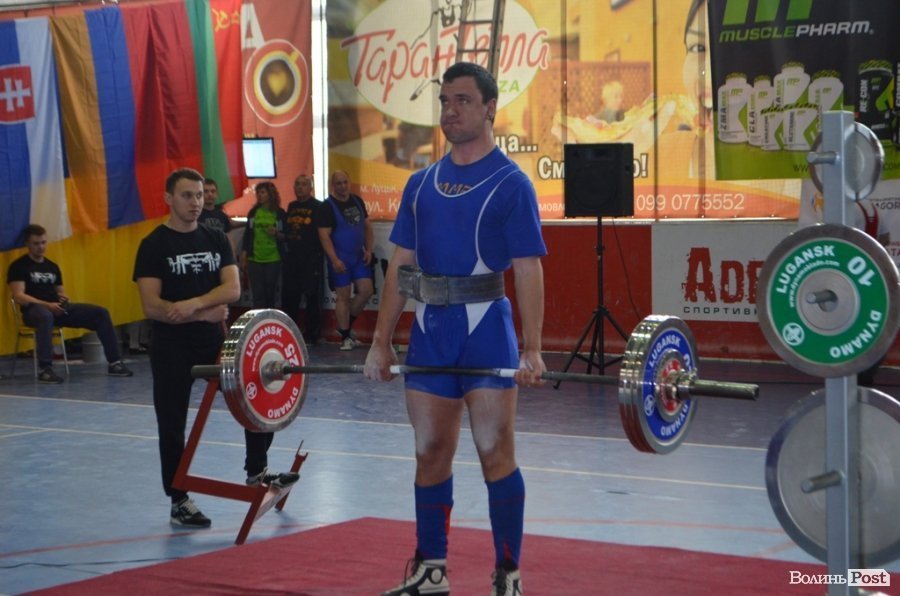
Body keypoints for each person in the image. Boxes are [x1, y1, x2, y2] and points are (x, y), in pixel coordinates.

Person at [364, 62, 546, 596]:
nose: (450, 110)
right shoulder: (420, 184)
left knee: (495, 451)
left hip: (486, 330)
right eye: (445, 101)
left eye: (463, 100)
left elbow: (528, 268)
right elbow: (401, 265)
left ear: (490, 108)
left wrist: (533, 349)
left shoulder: (512, 184)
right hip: (429, 332)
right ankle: (431, 570)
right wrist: (380, 341)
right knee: (429, 451)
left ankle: (508, 574)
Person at [133, 167, 297, 529]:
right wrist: (205, 312)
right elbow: (152, 305)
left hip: (212, 343)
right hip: (170, 348)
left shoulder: (216, 238)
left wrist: (192, 306)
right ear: (169, 198)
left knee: (254, 392)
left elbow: (232, 290)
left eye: (198, 195)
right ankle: (179, 500)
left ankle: (257, 471)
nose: (195, 202)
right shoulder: (154, 245)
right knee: (172, 425)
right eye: (186, 196)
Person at [7, 224, 133, 384]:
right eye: (36, 243)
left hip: (56, 308)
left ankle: (115, 362)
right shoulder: (19, 266)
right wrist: (47, 305)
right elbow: (19, 296)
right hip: (34, 311)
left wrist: (63, 300)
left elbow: (61, 292)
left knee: (100, 313)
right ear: (27, 244)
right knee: (45, 316)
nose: (41, 247)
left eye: (43, 242)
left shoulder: (52, 266)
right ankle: (45, 369)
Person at [317, 170, 374, 350]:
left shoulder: (357, 201)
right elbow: (324, 235)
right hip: (340, 258)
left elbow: (367, 227)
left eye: (345, 182)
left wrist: (369, 249)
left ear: (350, 182)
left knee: (366, 291)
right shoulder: (326, 207)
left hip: (358, 256)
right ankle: (345, 337)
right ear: (333, 185)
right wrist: (334, 259)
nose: (342, 186)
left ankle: (345, 328)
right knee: (343, 296)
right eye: (338, 183)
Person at [282, 174, 324, 345]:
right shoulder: (291, 206)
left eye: (304, 184)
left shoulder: (318, 206)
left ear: (311, 188)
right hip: (292, 258)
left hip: (311, 258)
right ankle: (289, 332)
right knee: (290, 296)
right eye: (297, 184)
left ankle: (312, 335)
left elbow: (322, 233)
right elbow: (288, 230)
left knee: (311, 297)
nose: (300, 187)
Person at [240, 181, 286, 309]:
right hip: (255, 259)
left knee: (270, 293)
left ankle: (269, 318)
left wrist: (277, 234)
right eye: (258, 193)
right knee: (258, 294)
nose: (260, 195)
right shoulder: (253, 212)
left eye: (263, 192)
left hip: (273, 258)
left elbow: (285, 235)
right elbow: (248, 234)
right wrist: (244, 254)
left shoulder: (279, 213)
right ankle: (259, 318)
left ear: (270, 194)